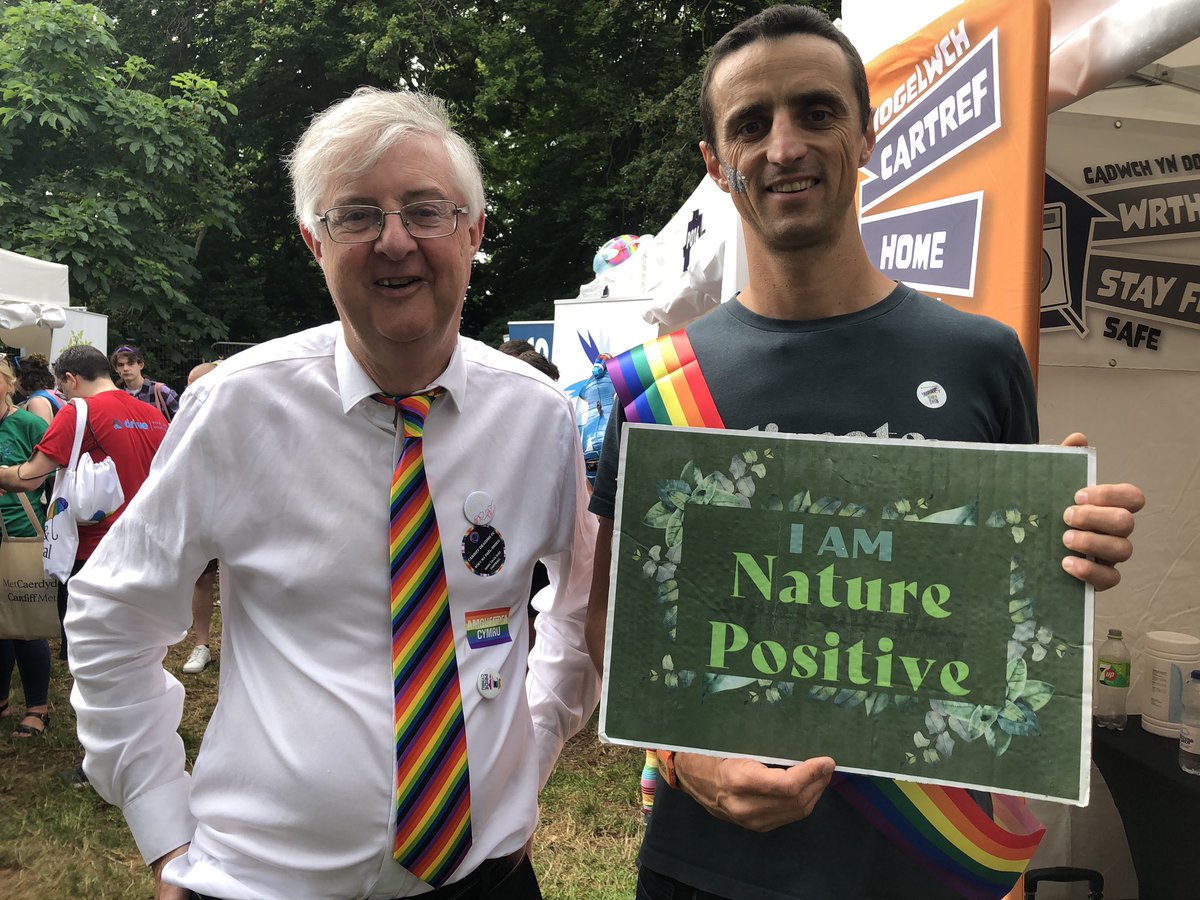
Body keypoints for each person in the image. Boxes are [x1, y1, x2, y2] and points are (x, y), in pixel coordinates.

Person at [584, 7, 1146, 900]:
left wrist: (1069, 552)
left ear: (866, 133)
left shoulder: (981, 357)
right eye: (750, 124)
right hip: (714, 869)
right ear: (715, 164)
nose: (784, 147)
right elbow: (612, 615)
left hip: (925, 864)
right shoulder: (654, 384)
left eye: (816, 112)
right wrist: (682, 755)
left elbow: (1006, 607)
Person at [65, 88, 599, 900]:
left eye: (427, 209)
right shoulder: (235, 408)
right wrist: (160, 821)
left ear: (474, 230)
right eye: (356, 215)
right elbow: (112, 615)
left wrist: (536, 743)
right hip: (262, 885)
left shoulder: (540, 419)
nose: (394, 241)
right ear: (314, 241)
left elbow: (579, 604)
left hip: (481, 880)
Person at [0, 345, 169, 664]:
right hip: (147, 547)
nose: (61, 394)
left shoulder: (79, 412)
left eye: (61, 387)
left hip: (94, 553)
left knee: (95, 655)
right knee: (138, 648)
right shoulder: (153, 415)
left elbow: (29, 477)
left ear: (70, 378)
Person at [0, 356, 52, 738]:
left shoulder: (29, 423)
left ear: (8, 383)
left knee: (25, 623)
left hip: (19, 533)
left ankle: (37, 706)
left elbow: (54, 475)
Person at [181, 362, 221, 675]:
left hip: (243, 517)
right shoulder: (185, 423)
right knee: (202, 579)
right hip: (205, 513)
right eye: (191, 386)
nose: (196, 393)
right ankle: (203, 644)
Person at [111, 343, 180, 421]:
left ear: (141, 365)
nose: (125, 368)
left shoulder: (160, 391)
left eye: (130, 363)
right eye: (121, 365)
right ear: (116, 369)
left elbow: (182, 421)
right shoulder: (116, 396)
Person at [16, 353, 64, 426]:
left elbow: (41, 434)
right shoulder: (54, 394)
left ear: (23, 378)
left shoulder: (37, 402)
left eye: (16, 377)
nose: (13, 381)